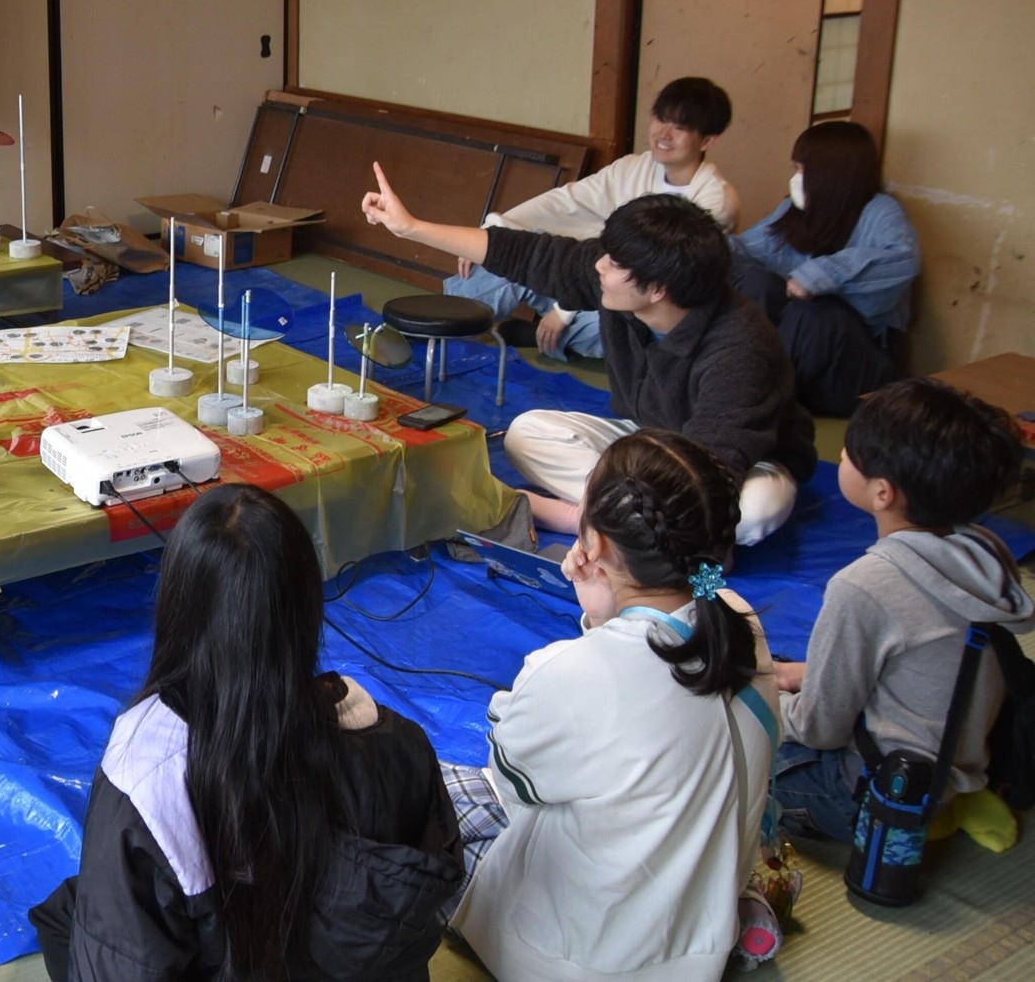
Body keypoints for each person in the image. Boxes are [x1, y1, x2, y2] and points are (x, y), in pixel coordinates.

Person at [29, 484, 464, 980]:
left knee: (69, 911)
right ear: (305, 609)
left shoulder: (145, 778)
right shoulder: (398, 741)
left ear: (177, 607)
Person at [443, 429, 779, 982]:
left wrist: (596, 619)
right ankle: (744, 916)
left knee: (415, 793)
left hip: (580, 960)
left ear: (591, 547)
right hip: (699, 942)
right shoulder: (738, 619)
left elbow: (513, 780)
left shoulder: (572, 673)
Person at [362, 165, 816, 544]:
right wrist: (412, 228)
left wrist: (573, 511)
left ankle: (576, 517)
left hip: (739, 461)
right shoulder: (626, 284)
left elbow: (714, 469)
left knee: (754, 511)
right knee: (526, 434)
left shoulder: (740, 347)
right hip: (652, 438)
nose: (600, 265)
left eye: (614, 262)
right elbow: (528, 254)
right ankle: (635, 521)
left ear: (657, 288)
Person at [773, 378, 1034, 841]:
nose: (844, 456)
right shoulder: (985, 550)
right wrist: (804, 673)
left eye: (851, 452)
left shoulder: (863, 587)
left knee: (718, 734)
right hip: (955, 768)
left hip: (878, 796)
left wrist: (760, 702)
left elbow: (820, 729)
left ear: (883, 493)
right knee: (777, 675)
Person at [448, 77, 740, 359]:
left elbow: (651, 284)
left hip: (635, 303)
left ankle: (541, 334)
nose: (664, 134)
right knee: (508, 250)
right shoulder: (633, 167)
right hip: (588, 278)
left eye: (680, 127)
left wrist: (564, 311)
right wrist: (494, 231)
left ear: (707, 141)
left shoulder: (714, 201)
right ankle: (437, 326)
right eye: (660, 120)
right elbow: (568, 201)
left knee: (614, 330)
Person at [733, 121, 920, 417]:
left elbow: (902, 262)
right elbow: (748, 248)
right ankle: (736, 385)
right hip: (801, 367)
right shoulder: (794, 210)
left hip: (853, 372)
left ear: (832, 173)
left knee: (813, 313)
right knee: (755, 282)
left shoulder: (881, 211)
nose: (795, 178)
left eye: (802, 169)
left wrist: (820, 275)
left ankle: (757, 406)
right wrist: (698, 245)